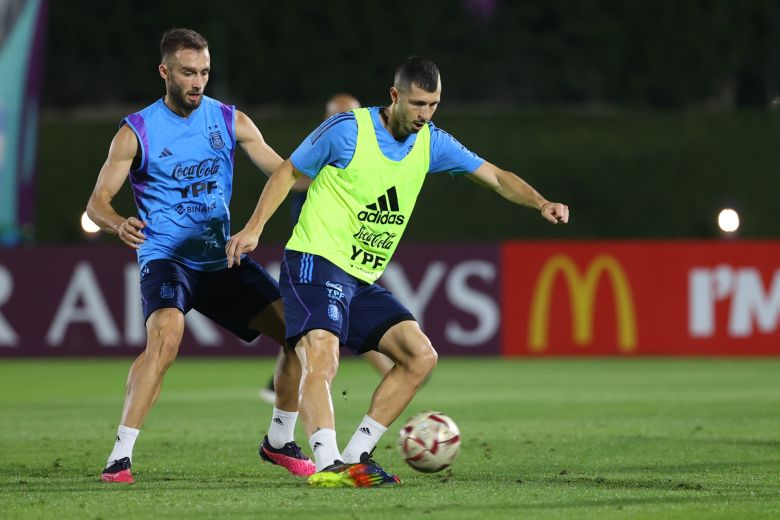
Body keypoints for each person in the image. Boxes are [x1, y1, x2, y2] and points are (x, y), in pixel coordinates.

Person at [226, 56, 569, 488]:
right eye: (418, 104)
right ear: (395, 96)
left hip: (359, 278)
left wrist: (540, 203)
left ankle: (356, 456)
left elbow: (497, 178)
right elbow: (287, 170)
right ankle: (329, 463)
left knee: (420, 356)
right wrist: (254, 228)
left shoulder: (431, 142)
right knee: (322, 355)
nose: (425, 114)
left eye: (434, 105)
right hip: (315, 259)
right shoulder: (349, 129)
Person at [86, 28, 315, 484]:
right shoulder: (137, 131)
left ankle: (279, 441)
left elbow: (286, 173)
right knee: (167, 336)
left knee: (300, 335)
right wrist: (117, 223)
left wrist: (336, 174)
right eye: (188, 72)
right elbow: (96, 203)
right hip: (166, 258)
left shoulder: (230, 121)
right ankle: (120, 456)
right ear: (164, 72)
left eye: (205, 72)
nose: (198, 82)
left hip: (220, 259)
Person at [259, 93, 393, 405]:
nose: (346, 122)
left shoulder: (359, 156)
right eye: (337, 116)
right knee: (318, 328)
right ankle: (388, 374)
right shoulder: (317, 154)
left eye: (352, 115)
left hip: (347, 258)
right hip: (313, 257)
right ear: (326, 119)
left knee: (325, 328)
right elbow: (291, 178)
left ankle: (391, 374)